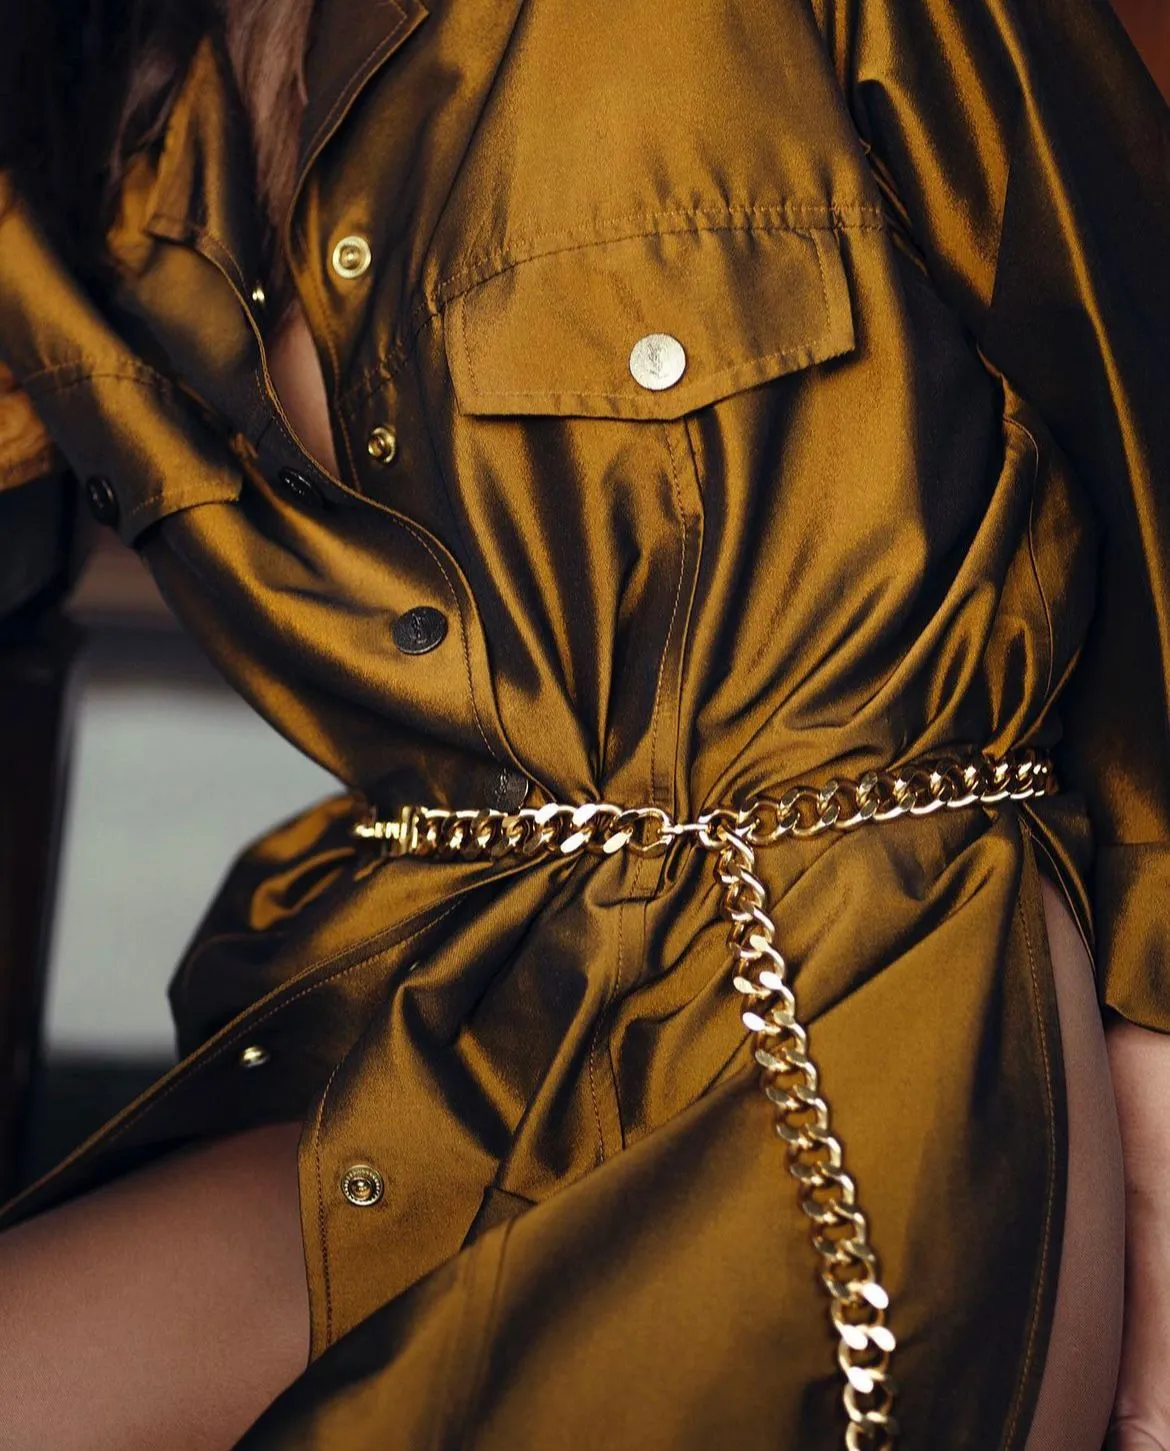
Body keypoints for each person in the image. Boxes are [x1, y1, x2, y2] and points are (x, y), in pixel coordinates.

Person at [0, 1, 1167, 1447]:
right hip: (429, 1028)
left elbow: (1146, 427)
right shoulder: (107, 133)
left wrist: (1156, 1163)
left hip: (844, 1009)